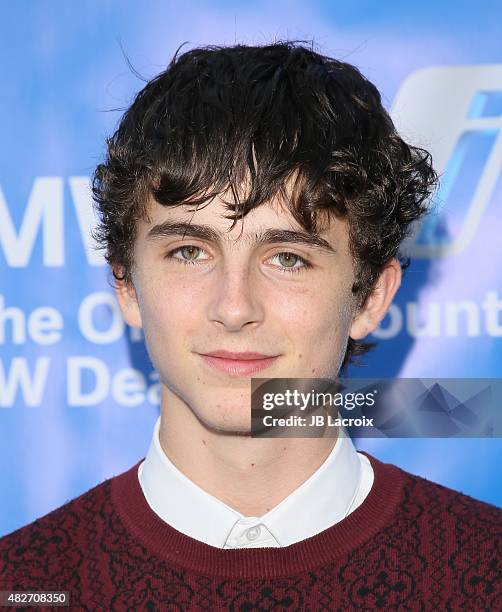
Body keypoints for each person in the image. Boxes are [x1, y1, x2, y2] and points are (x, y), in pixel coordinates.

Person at [1, 41, 500, 610]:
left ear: (370, 297)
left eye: (288, 258)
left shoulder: (485, 572)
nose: (234, 307)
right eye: (190, 251)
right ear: (126, 285)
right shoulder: (21, 584)